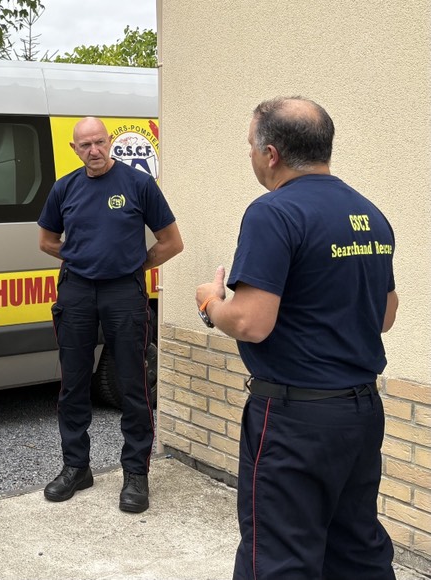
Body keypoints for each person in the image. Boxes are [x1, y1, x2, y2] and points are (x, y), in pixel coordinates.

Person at [195, 97, 399, 580]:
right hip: (361, 413)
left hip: (294, 420)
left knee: (280, 557)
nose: (249, 155)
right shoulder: (369, 213)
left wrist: (210, 302)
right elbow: (386, 315)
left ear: (271, 154)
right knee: (356, 549)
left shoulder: (273, 213)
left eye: (250, 146)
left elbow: (251, 322)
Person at [37, 117, 184, 513]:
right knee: (73, 384)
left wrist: (135, 264)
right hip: (77, 292)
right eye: (85, 145)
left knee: (133, 385)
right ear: (75, 149)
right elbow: (47, 241)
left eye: (100, 142)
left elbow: (172, 242)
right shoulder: (64, 188)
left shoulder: (138, 184)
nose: (94, 151)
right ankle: (75, 467)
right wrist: (79, 257)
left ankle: (136, 474)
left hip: (124, 291)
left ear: (109, 142)